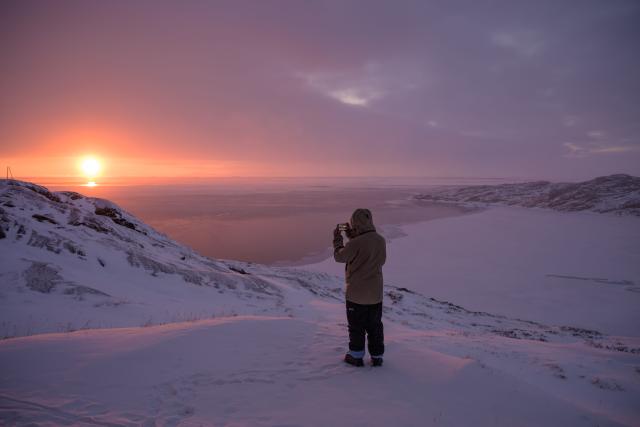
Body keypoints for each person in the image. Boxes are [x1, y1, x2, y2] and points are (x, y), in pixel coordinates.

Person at [333, 208, 387, 367]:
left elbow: (340, 256)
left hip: (356, 295)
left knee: (356, 326)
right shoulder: (380, 240)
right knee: (375, 326)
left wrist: (338, 240)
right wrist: (354, 236)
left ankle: (356, 356)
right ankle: (377, 356)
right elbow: (379, 260)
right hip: (375, 294)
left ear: (354, 223)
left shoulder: (355, 243)